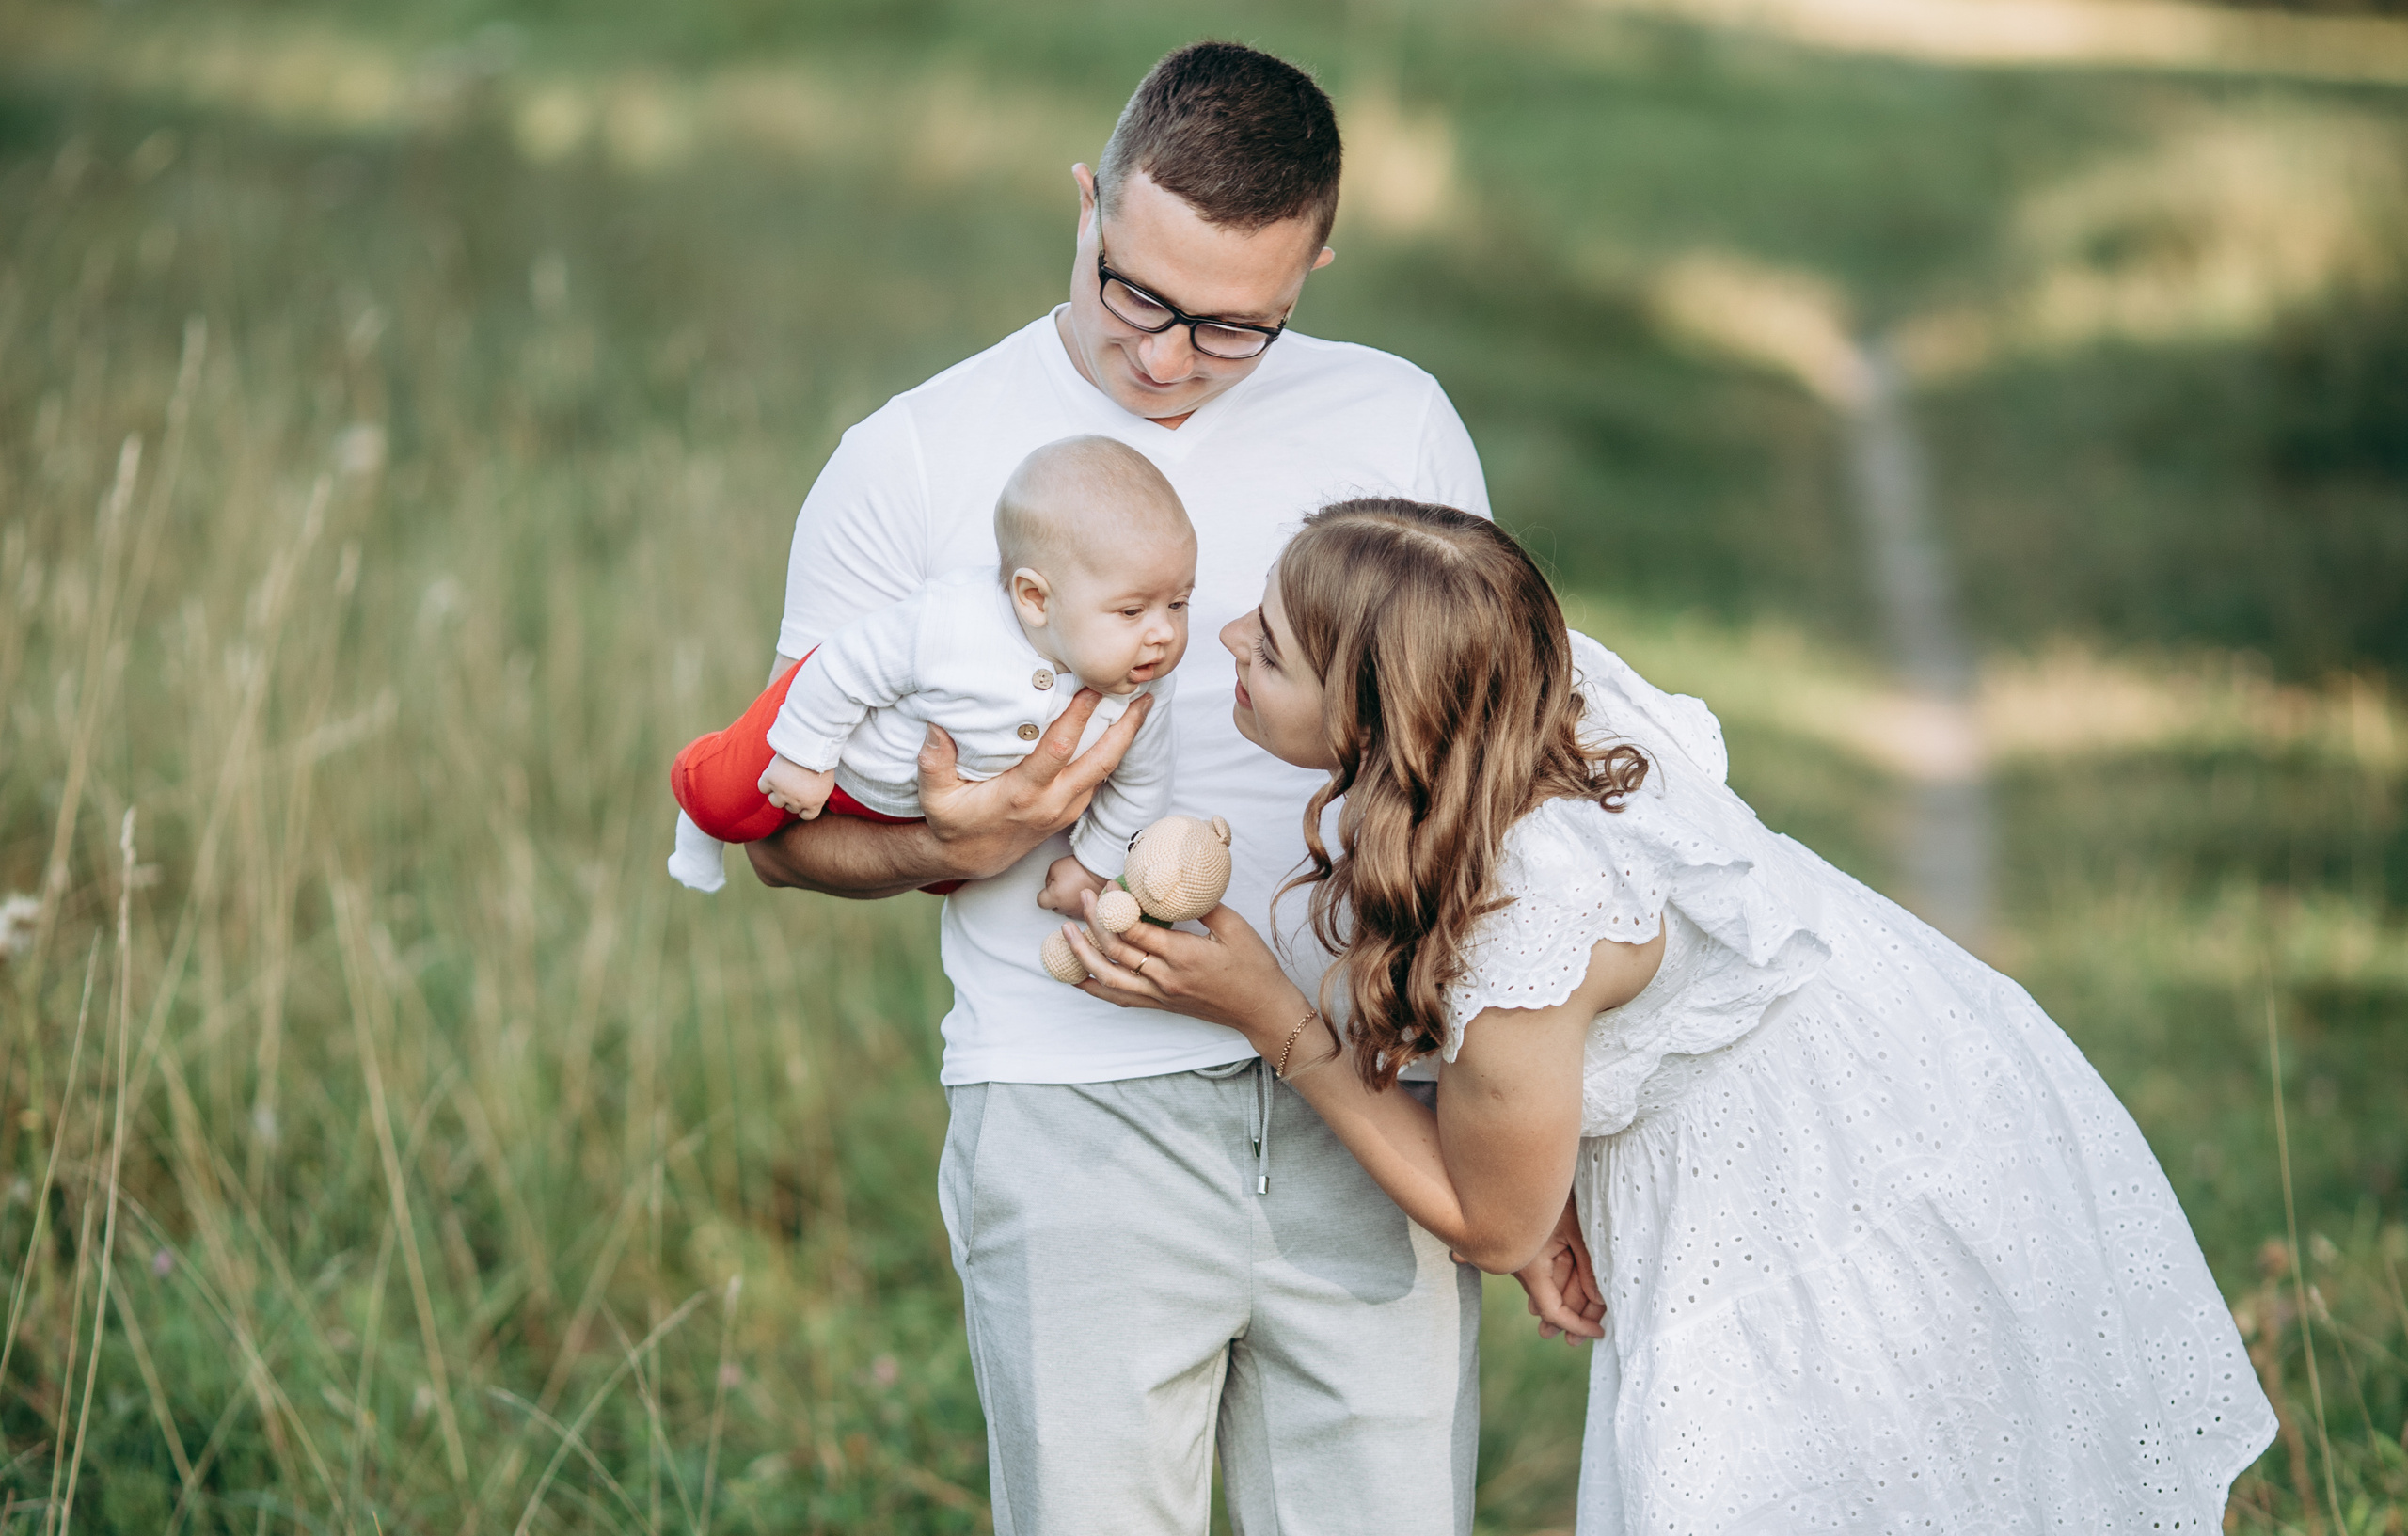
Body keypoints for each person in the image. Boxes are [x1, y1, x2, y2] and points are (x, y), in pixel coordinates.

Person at [1061, 499, 2279, 1533]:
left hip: (1849, 1170)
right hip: (1876, 1078)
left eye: (1269, 647)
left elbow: (1491, 1222)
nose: (1227, 637)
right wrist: (1557, 1176)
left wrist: (1272, 1017)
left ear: (1379, 717)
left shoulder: (1526, 908)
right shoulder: (1519, 683)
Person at [743, 43, 1491, 1535]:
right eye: (1134, 291)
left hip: (1368, 1097)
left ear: (1314, 267)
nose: (1163, 360)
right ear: (1088, 202)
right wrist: (960, 842)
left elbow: (1482, 771)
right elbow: (782, 837)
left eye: (1232, 329)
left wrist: (1520, 1120)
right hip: (1074, 1116)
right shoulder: (905, 460)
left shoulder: (1398, 422)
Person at [666, 435, 1191, 900]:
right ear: (1035, 599)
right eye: (1131, 611)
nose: (1163, 633)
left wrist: (1094, 866)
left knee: (955, 878)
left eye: (1178, 603)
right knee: (728, 799)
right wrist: (805, 756)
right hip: (839, 742)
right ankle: (699, 807)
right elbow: (840, 667)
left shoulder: (1145, 682)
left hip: (917, 810)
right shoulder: (947, 623)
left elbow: (1143, 781)